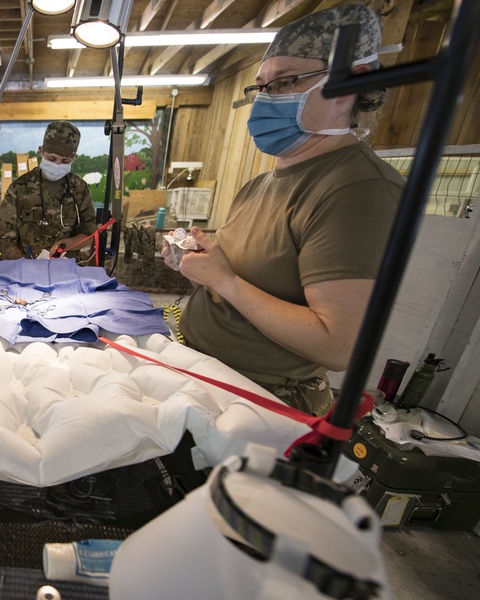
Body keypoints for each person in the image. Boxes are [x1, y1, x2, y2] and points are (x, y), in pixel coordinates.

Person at [162, 4, 404, 415]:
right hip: (204, 372)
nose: (266, 99)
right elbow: (249, 276)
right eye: (262, 87)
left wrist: (226, 283)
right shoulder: (263, 183)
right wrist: (198, 266)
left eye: (286, 82)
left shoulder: (358, 190)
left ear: (351, 82)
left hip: (259, 402)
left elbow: (337, 345)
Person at [0, 121, 97, 259]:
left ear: (74, 158)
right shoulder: (20, 188)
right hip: (25, 269)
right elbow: (2, 236)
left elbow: (89, 234)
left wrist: (68, 243)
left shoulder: (79, 188)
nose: (57, 165)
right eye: (51, 158)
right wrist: (22, 264)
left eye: (65, 161)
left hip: (66, 270)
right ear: (41, 151)